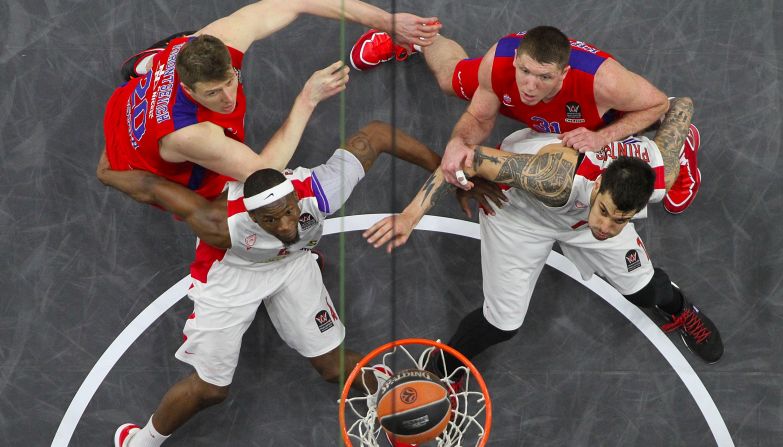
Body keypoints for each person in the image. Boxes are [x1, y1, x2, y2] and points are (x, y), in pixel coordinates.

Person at [104, 121, 443, 447]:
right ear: (252, 217)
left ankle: (384, 387)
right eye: (270, 220)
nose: (284, 225)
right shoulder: (220, 225)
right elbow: (149, 188)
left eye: (288, 212)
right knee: (210, 389)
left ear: (296, 199)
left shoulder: (321, 190)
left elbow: (378, 134)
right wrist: (108, 170)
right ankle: (141, 441)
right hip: (233, 278)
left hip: (292, 266)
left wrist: (445, 170)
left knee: (332, 367)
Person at [364, 97, 723, 387]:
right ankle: (444, 368)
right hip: (519, 213)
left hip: (579, 219)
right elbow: (467, 160)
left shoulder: (655, 181)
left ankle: (680, 308)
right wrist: (411, 215)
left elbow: (682, 105)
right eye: (608, 212)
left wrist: (673, 114)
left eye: (622, 220)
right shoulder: (550, 176)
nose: (608, 226)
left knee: (644, 289)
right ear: (598, 188)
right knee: (500, 324)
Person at [98, 0, 443, 206]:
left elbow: (295, 2)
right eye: (213, 93)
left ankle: (150, 65)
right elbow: (263, 171)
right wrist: (307, 99)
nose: (229, 97)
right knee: (232, 204)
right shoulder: (192, 134)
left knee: (188, 43)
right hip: (135, 155)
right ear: (189, 91)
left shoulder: (219, 40)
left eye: (230, 81)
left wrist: (386, 21)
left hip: (134, 100)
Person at [349, 25, 701, 214]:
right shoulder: (501, 65)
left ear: (564, 73)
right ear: (516, 58)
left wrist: (602, 138)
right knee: (449, 78)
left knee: (667, 114)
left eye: (543, 77)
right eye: (525, 71)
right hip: (538, 112)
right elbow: (479, 117)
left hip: (591, 118)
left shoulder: (604, 80)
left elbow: (654, 105)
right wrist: (459, 142)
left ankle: (679, 151)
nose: (530, 86)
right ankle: (418, 36)